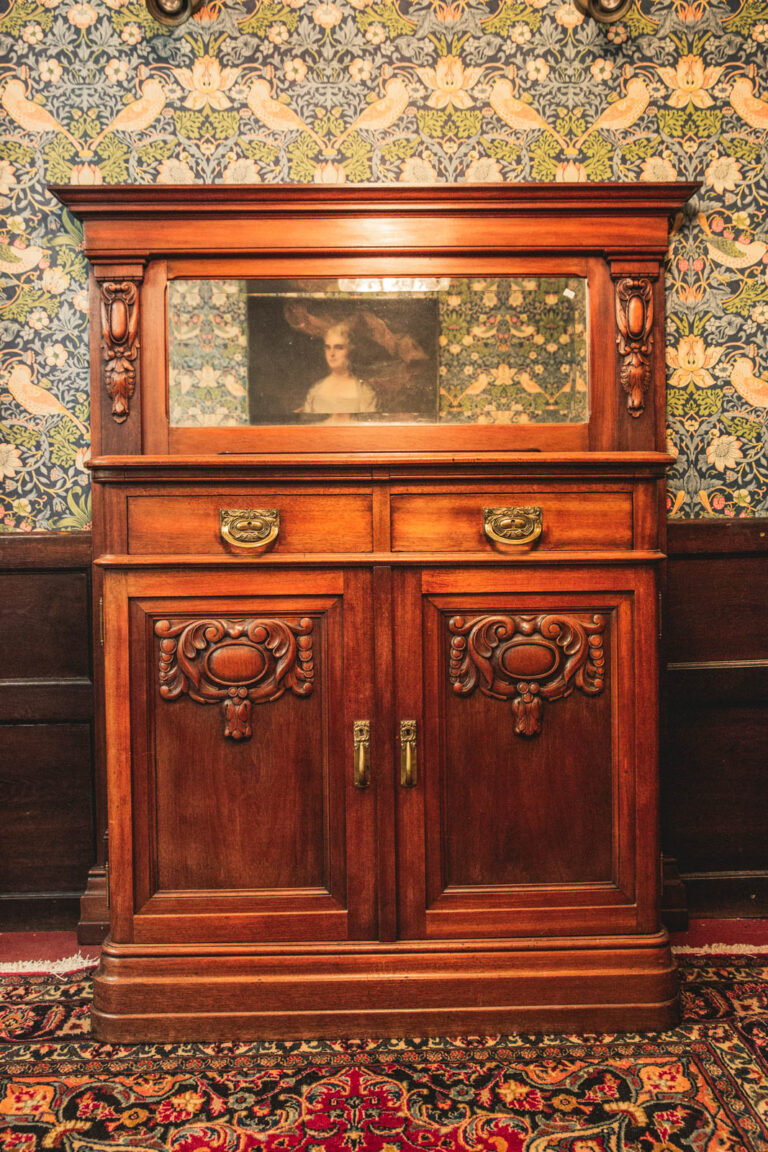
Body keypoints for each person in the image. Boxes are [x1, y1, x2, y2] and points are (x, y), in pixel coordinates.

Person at [299, 323, 377, 416]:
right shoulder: (315, 390)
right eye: (328, 348)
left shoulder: (365, 392)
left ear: (350, 352)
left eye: (338, 348)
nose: (331, 353)